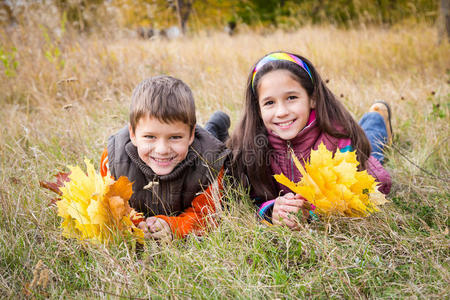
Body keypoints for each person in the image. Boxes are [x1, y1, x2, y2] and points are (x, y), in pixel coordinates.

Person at [227, 51, 392, 229]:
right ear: (258, 109)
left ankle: (376, 118)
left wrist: (314, 212)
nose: (281, 112)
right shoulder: (251, 144)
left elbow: (377, 183)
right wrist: (271, 209)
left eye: (291, 98)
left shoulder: (338, 138)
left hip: (359, 154)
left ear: (312, 99)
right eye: (269, 103)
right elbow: (249, 197)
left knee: (373, 145)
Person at [100, 75, 230, 240]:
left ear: (191, 135)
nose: (162, 150)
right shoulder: (114, 160)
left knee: (210, 137)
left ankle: (215, 126)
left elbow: (208, 214)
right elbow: (112, 204)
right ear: (133, 134)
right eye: (150, 137)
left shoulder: (209, 163)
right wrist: (137, 223)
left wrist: (173, 226)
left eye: (175, 137)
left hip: (200, 147)